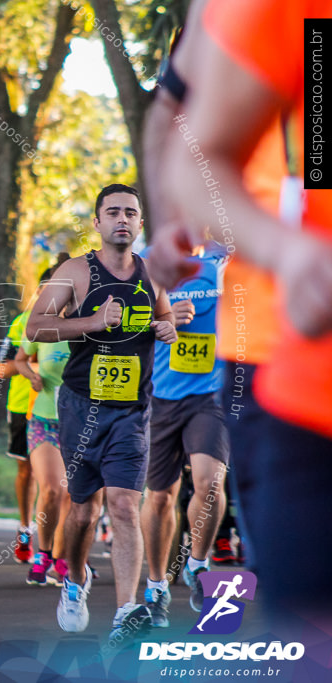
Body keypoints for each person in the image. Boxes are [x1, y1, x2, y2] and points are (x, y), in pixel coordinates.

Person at [163, 0, 332, 627]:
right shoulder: (294, 11)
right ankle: (169, 574)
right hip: (295, 373)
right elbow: (190, 147)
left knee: (207, 482)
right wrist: (290, 254)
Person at [27, 184, 177, 645]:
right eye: (112, 212)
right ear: (97, 223)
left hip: (132, 410)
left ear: (140, 223)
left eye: (131, 213)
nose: (122, 220)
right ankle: (74, 581)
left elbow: (164, 318)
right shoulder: (75, 271)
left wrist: (167, 326)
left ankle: (126, 612)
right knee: (82, 511)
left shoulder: (155, 274)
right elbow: (36, 326)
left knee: (126, 507)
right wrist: (91, 322)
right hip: (80, 408)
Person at [139, 239, 229, 627]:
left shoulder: (228, 256)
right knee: (160, 497)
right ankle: (156, 585)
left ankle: (197, 563)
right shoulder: (147, 260)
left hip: (211, 395)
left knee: (210, 482)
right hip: (158, 395)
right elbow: (115, 322)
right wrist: (161, 318)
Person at [15, 266, 72, 587]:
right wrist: (31, 374)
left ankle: (62, 559)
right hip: (44, 420)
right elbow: (21, 358)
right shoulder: (38, 327)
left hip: (79, 423)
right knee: (52, 488)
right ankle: (43, 554)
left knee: (71, 496)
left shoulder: (87, 326)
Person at [0, 311, 36, 564]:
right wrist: (32, 364)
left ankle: (61, 551)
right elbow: (3, 368)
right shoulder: (23, 321)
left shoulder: (88, 314)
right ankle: (25, 529)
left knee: (60, 484)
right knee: (27, 471)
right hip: (23, 406)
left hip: (66, 407)